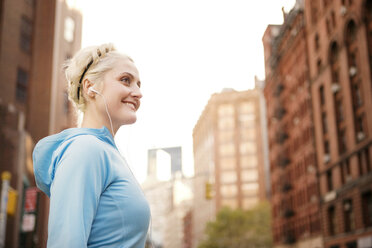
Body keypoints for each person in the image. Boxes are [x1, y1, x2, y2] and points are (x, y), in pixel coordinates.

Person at [32, 43, 151, 248]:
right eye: (126, 80)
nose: (138, 93)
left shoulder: (107, 153)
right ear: (90, 88)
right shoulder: (86, 149)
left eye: (139, 84)